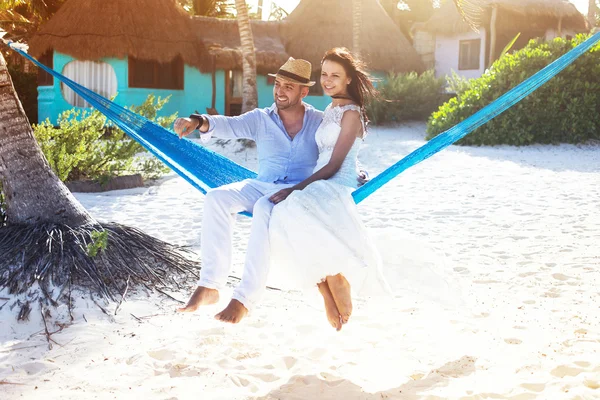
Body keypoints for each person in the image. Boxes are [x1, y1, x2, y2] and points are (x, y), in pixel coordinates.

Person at [173, 57, 367, 324]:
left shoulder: (319, 121)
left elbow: (336, 151)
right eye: (277, 84)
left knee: (266, 207)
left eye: (288, 86)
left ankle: (244, 299)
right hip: (260, 184)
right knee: (216, 197)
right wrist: (197, 120)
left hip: (297, 191)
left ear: (304, 92)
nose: (280, 91)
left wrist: (359, 172)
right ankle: (210, 284)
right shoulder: (260, 118)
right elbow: (228, 124)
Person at [267, 48, 392, 331]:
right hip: (320, 179)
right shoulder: (331, 109)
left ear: (348, 79)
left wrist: (294, 189)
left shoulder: (351, 113)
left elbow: (336, 163)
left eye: (335, 75)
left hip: (336, 182)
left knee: (292, 207)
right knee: (285, 216)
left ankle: (336, 276)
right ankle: (325, 289)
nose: (328, 80)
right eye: (324, 74)